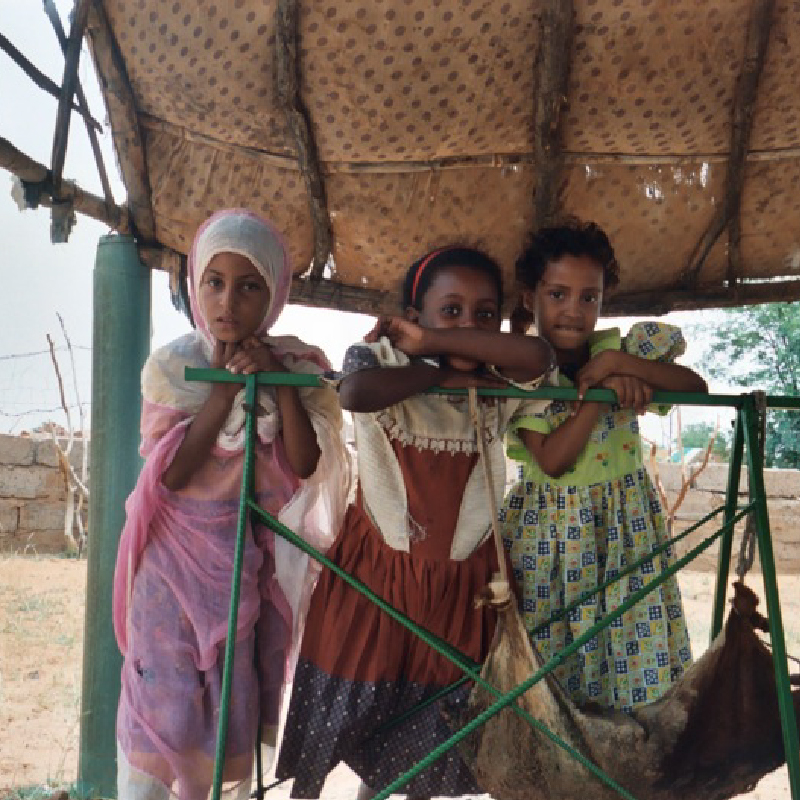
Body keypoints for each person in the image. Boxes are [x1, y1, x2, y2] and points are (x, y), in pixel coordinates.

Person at [275, 246, 554, 799]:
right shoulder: (381, 361)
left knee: (432, 729)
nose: (468, 325)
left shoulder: (500, 382)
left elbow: (540, 356)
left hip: (460, 591)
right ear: (413, 318)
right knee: (347, 716)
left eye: (484, 315)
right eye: (450, 311)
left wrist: (443, 342)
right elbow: (355, 393)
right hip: (373, 584)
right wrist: (432, 364)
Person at [112, 209, 349, 800]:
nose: (227, 302)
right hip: (169, 572)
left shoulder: (298, 369)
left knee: (227, 712)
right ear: (195, 284)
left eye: (248, 287)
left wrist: (274, 382)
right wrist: (223, 392)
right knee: (162, 708)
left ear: (273, 297)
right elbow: (173, 474)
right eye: (214, 282)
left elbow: (305, 462)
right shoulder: (174, 368)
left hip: (246, 569)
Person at [500, 218, 707, 713]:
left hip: (626, 533)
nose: (573, 310)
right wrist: (600, 397)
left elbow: (695, 388)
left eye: (588, 297)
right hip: (551, 537)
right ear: (530, 297)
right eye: (557, 294)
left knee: (631, 643)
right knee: (553, 659)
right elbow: (553, 460)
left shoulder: (621, 353)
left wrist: (621, 367)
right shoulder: (520, 373)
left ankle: (623, 754)